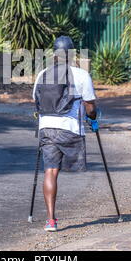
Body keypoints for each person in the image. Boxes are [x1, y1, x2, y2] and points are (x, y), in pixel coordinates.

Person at [33, 36, 98, 232]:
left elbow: (35, 101)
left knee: (50, 171)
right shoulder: (81, 75)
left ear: (54, 54)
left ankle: (51, 221)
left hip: (46, 127)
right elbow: (89, 105)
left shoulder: (42, 74)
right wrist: (93, 119)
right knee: (62, 169)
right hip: (69, 129)